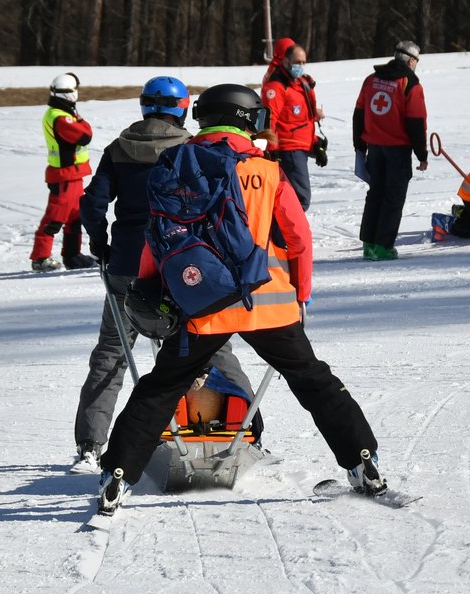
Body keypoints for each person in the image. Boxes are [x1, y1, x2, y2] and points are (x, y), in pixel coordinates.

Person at [94, 84, 388, 515]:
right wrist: (301, 294)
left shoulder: (176, 163)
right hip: (269, 304)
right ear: (248, 119)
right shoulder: (265, 168)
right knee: (313, 380)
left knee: (161, 386)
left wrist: (151, 289)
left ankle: (116, 475)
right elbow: (298, 237)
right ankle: (363, 462)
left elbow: (155, 239)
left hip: (200, 306)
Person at [72, 77, 261, 470]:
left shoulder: (118, 149)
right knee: (214, 347)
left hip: (126, 265)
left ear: (144, 106)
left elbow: (92, 204)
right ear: (182, 108)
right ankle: (250, 431)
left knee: (113, 353)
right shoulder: (192, 149)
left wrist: (99, 242)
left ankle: (91, 446)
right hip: (183, 267)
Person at [353, 41, 428, 260]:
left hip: (375, 149)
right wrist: (421, 155)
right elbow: (416, 122)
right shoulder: (410, 84)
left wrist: (360, 146)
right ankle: (383, 246)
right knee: (393, 198)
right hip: (397, 150)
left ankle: (368, 244)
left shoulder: (371, 79)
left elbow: (358, 114)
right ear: (411, 60)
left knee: (375, 194)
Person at [31, 73, 97, 271]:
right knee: (55, 217)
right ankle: (40, 257)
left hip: (73, 175)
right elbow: (85, 135)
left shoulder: (64, 113)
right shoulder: (60, 116)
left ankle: (72, 255)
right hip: (64, 175)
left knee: (75, 218)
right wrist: (79, 119)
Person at [260, 37, 325, 210]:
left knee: (293, 197)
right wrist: (272, 150)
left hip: (300, 145)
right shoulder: (277, 85)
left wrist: (315, 142)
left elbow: (299, 117)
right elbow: (270, 119)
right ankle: (284, 236)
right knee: (298, 200)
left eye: (304, 62)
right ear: (285, 59)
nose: (301, 66)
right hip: (288, 148)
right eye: (297, 62)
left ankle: (286, 235)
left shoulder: (299, 83)